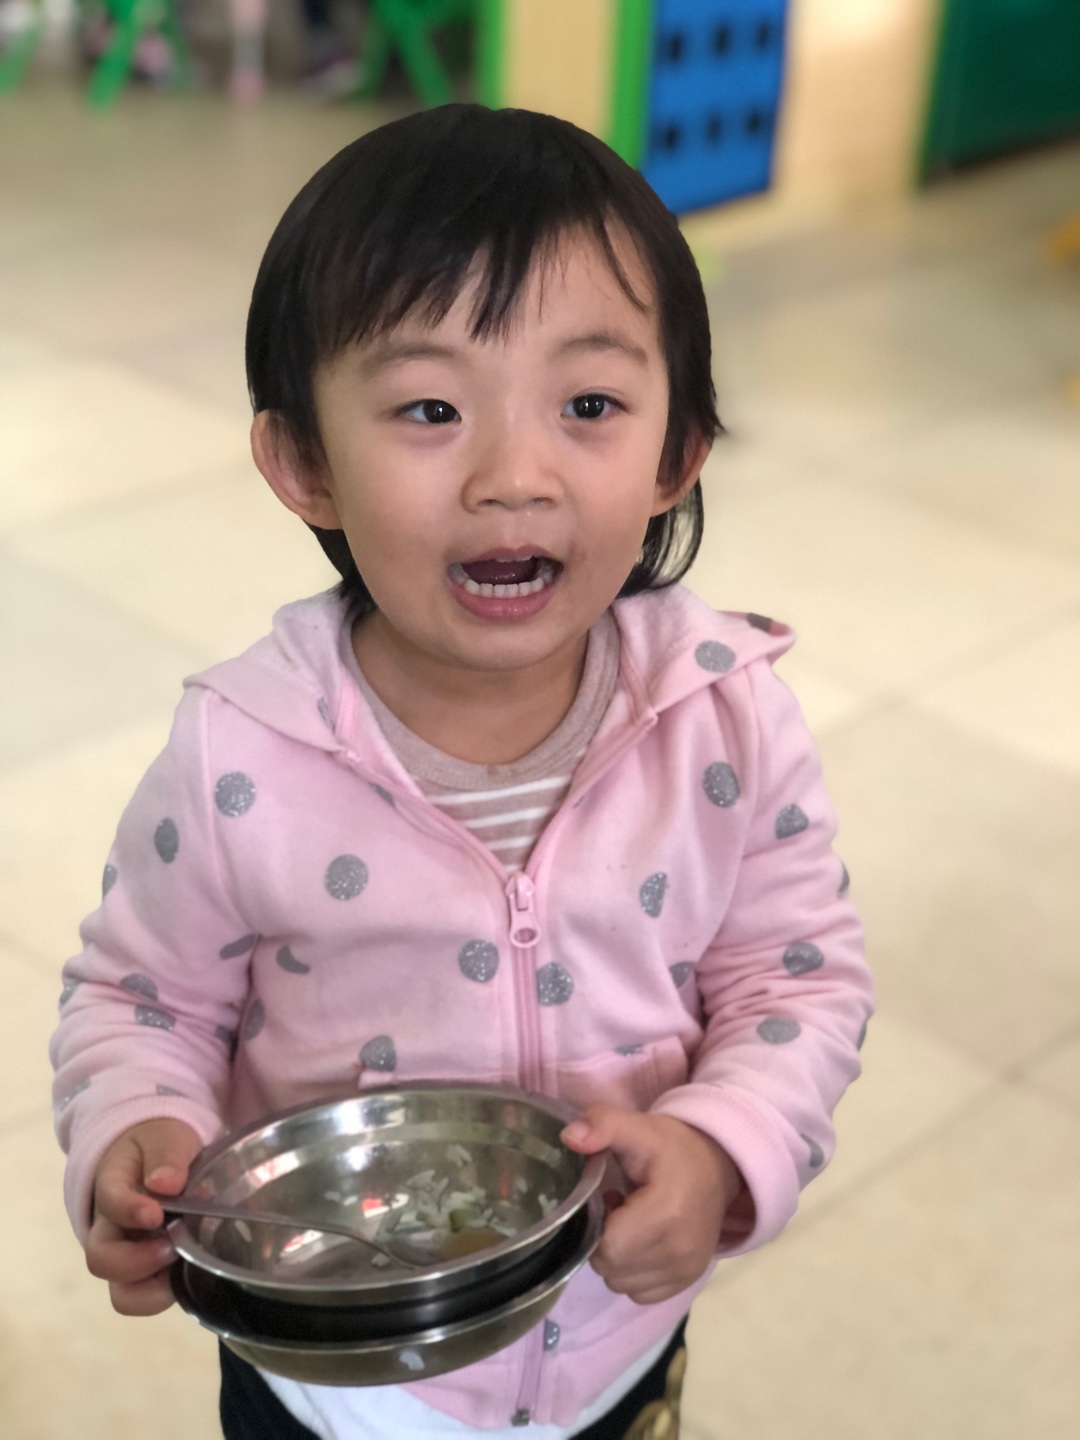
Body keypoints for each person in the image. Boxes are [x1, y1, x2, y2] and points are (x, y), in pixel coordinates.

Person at [50, 104, 873, 1440]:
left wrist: (725, 1146)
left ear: (677, 454)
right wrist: (135, 1125)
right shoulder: (241, 755)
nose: (514, 476)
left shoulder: (724, 720)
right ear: (304, 462)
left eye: (590, 405)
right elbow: (142, 999)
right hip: (334, 1377)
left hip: (614, 1343)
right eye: (430, 408)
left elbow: (799, 981)